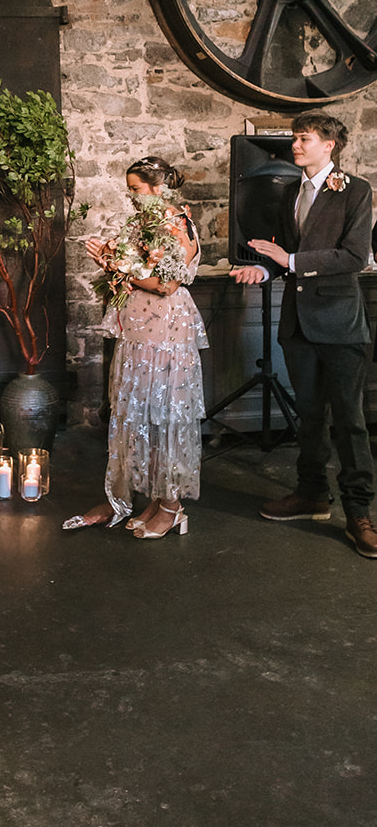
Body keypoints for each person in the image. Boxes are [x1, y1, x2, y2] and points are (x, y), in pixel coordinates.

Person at [230, 113, 376, 559]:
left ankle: (359, 515)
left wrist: (290, 261)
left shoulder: (356, 191)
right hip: (298, 326)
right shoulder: (291, 192)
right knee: (310, 417)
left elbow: (353, 256)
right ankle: (311, 495)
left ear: (329, 145)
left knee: (349, 421)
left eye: (303, 138)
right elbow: (281, 254)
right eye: (294, 138)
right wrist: (263, 267)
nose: (294, 145)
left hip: (340, 323)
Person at [64, 156, 205, 540]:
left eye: (136, 190)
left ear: (159, 189)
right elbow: (137, 271)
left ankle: (173, 507)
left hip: (165, 332)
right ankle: (155, 500)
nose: (131, 198)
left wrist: (114, 263)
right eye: (129, 190)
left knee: (164, 416)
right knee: (140, 413)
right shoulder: (146, 224)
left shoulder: (176, 224)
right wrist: (113, 261)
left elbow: (166, 285)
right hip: (139, 329)